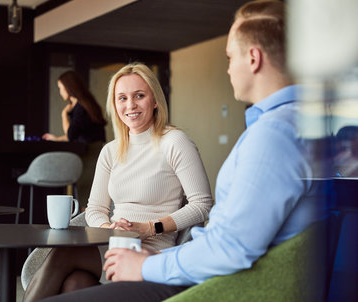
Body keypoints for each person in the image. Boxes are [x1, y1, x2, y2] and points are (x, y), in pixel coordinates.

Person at [40, 1, 326, 301]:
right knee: (73, 282)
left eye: (229, 57)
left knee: (67, 275)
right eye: (122, 98)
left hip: (169, 259)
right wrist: (114, 228)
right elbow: (226, 239)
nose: (227, 68)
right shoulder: (284, 127)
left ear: (253, 58)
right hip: (146, 251)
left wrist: (150, 258)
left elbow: (227, 245)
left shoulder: (271, 136)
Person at [22, 63, 213, 302]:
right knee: (75, 283)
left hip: (152, 252)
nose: (130, 105)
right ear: (115, 105)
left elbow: (202, 204)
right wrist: (109, 228)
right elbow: (95, 210)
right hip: (112, 243)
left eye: (139, 96)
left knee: (65, 257)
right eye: (122, 98)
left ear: (154, 100)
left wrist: (149, 227)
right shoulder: (111, 151)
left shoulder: (175, 142)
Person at [42, 70, 106, 144]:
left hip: (89, 152)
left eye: (60, 88)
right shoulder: (84, 104)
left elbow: (70, 136)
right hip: (91, 150)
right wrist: (57, 139)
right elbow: (75, 134)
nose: (60, 92)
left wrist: (64, 114)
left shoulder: (81, 108)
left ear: (67, 87)